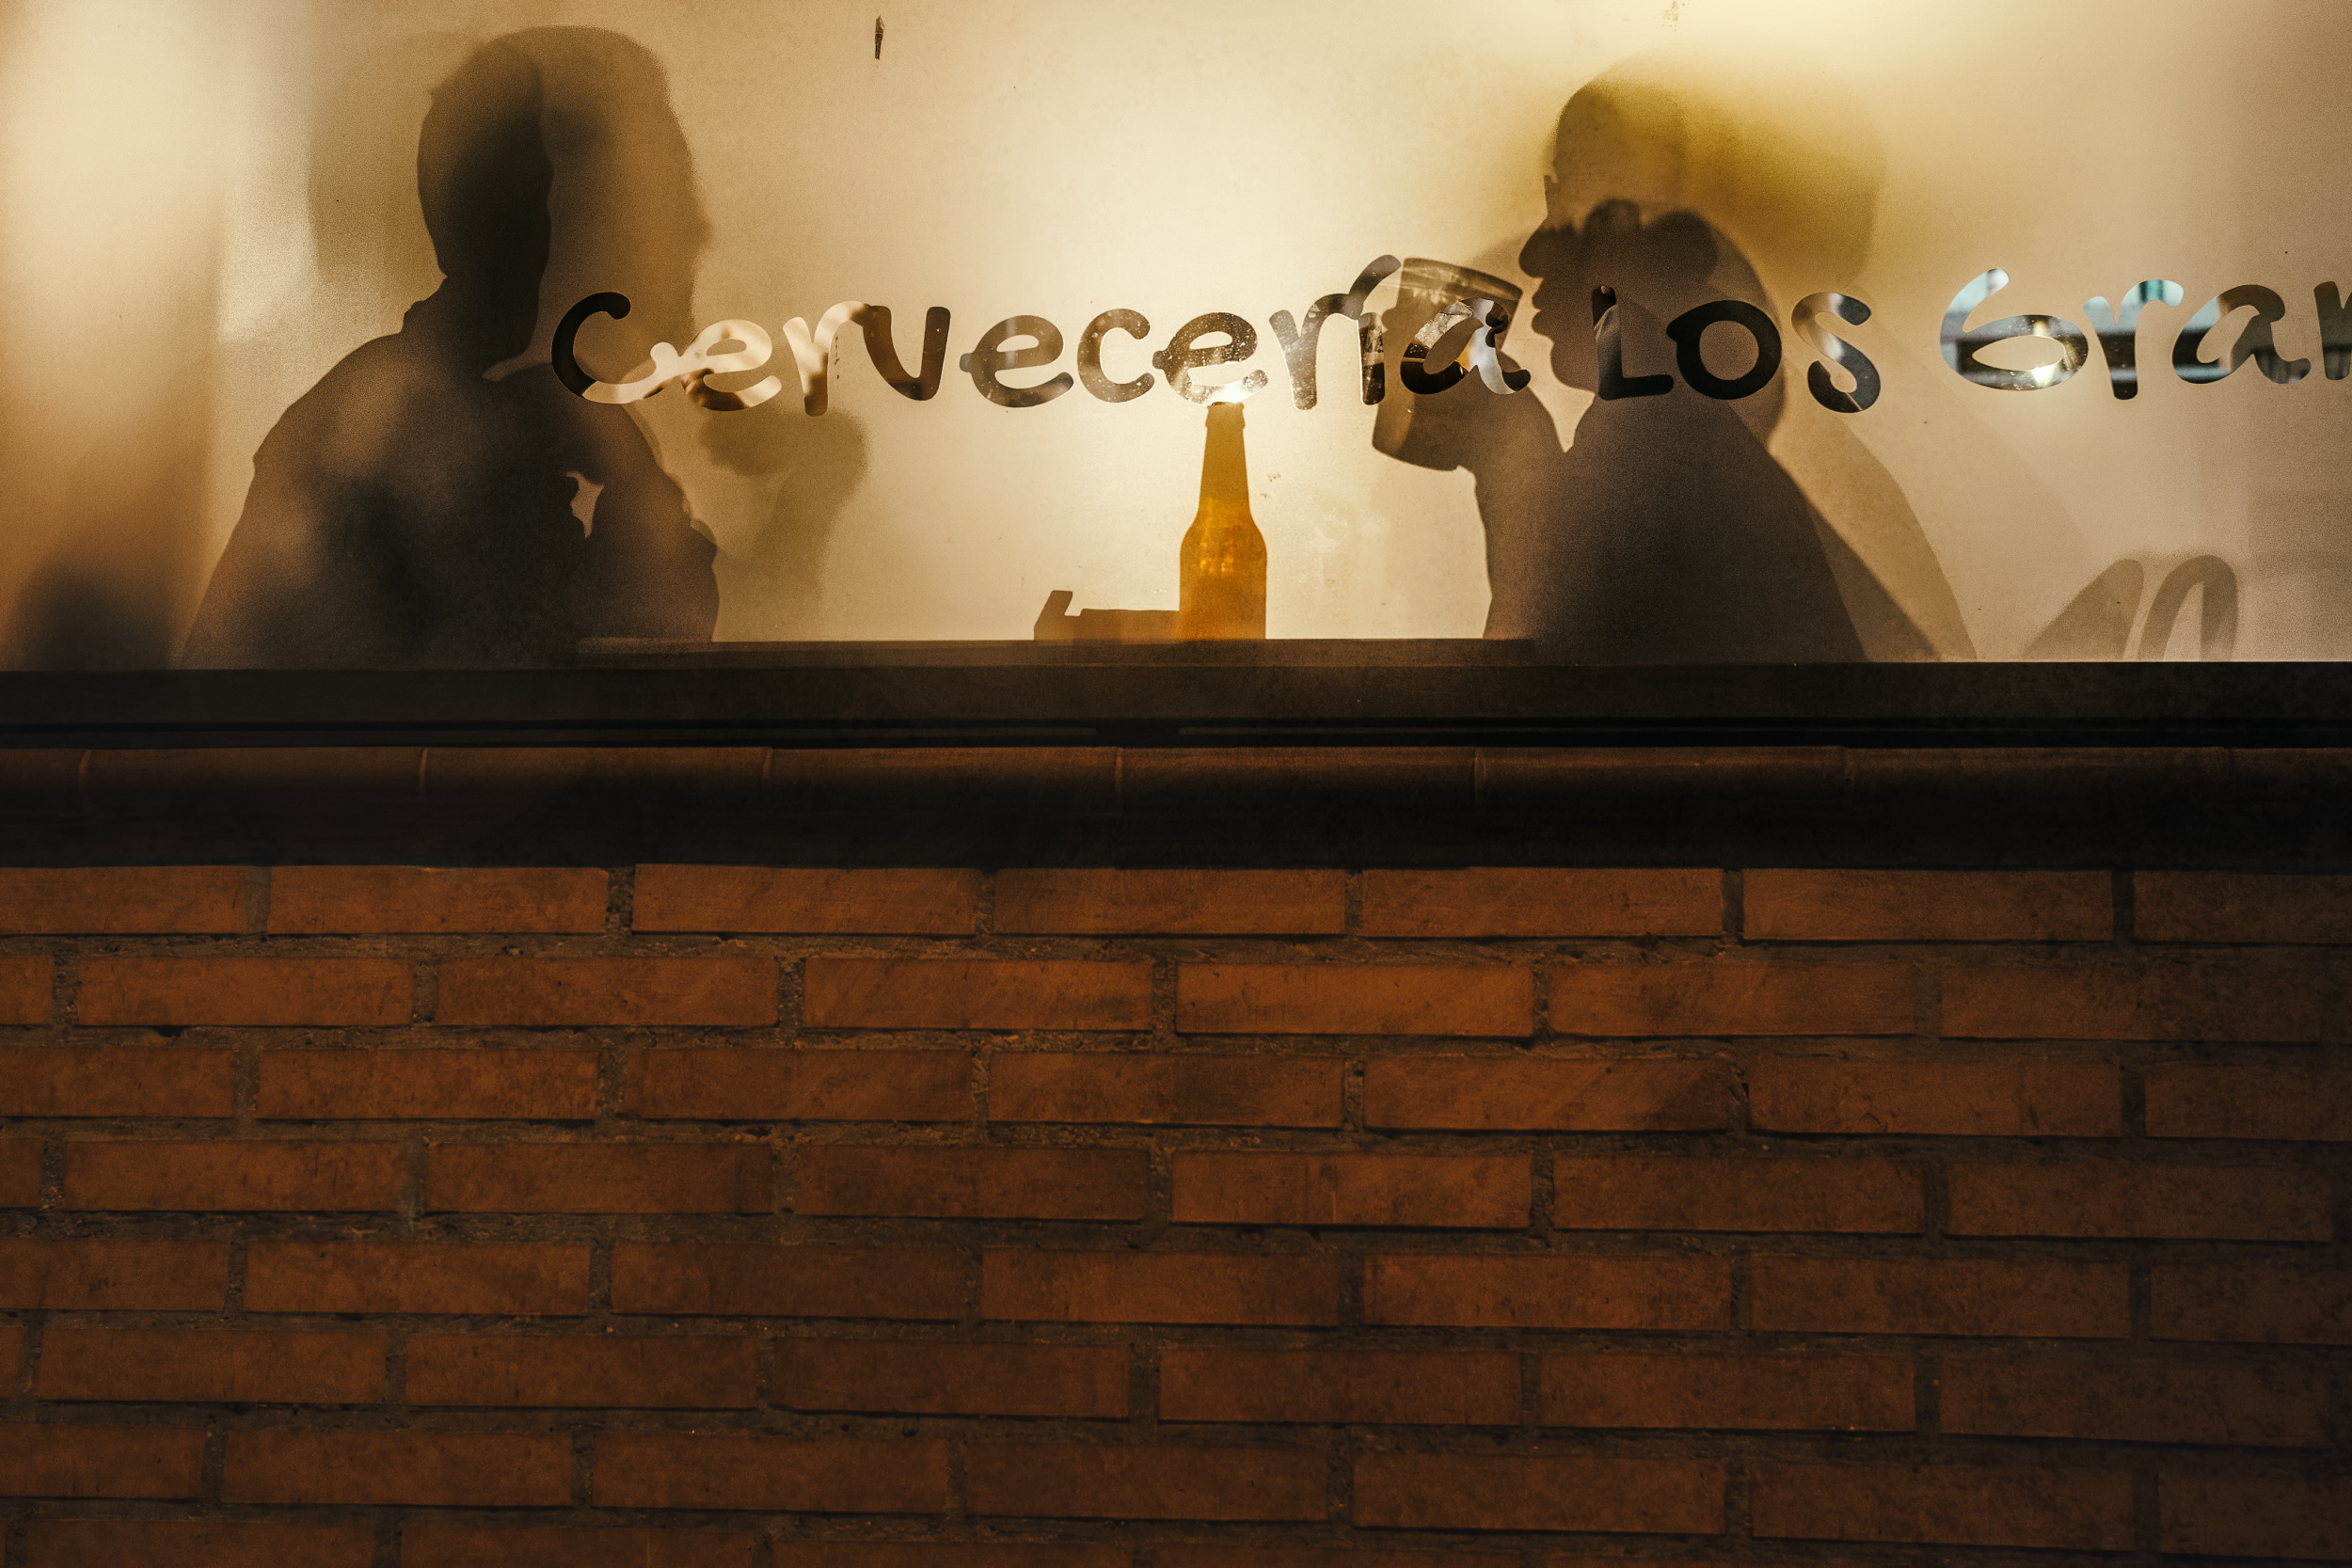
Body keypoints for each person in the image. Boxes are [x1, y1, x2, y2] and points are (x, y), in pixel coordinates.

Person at [1377, 52, 1974, 662]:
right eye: (1555, 202)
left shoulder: (1664, 445)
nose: (1534, 254)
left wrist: (1512, 452)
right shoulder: (1719, 438)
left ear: (1698, 249)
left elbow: (1532, 696)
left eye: (1596, 218)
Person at [181, 36, 717, 667]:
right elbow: (590, 702)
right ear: (573, 219)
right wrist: (643, 503)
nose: (700, 230)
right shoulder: (435, 448)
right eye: (669, 192)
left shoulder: (437, 415)